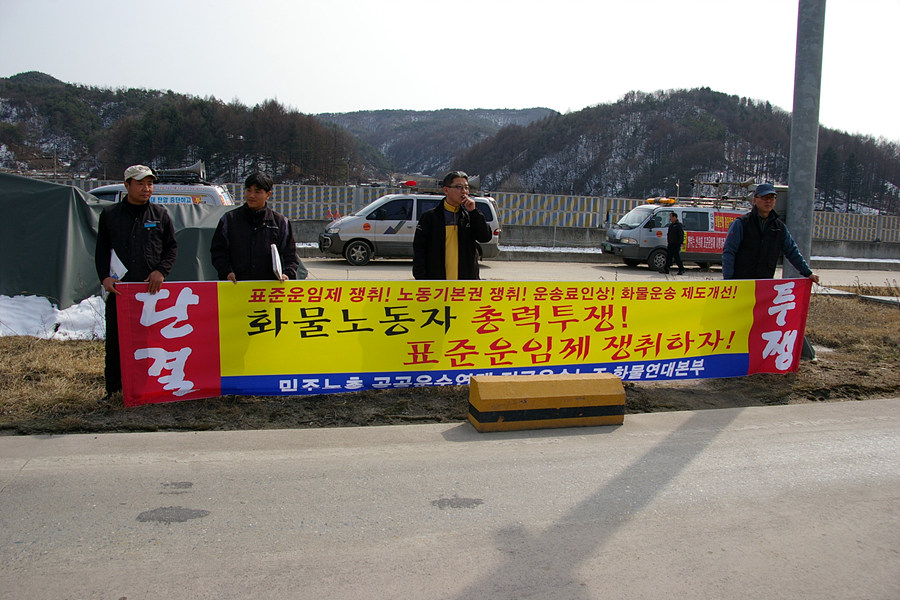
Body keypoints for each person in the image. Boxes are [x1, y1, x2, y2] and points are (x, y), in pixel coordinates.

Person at [95, 164, 178, 399]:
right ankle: (114, 391)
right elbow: (101, 250)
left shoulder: (160, 215)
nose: (146, 188)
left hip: (151, 291)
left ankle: (149, 387)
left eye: (150, 184)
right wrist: (105, 277)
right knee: (116, 342)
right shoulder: (110, 215)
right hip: (121, 291)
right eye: (140, 184)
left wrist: (161, 271)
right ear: (127, 185)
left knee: (151, 341)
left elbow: (171, 248)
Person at [210, 172, 307, 283]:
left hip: (269, 288)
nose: (251, 195)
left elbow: (290, 256)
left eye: (257, 191)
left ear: (268, 194)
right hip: (236, 286)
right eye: (248, 190)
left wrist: (287, 274)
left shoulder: (280, 223)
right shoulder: (229, 220)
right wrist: (226, 272)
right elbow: (218, 251)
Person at [722, 183, 819, 283]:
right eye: (764, 197)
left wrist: (808, 273)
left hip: (765, 284)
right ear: (755, 200)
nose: (768, 201)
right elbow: (729, 252)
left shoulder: (779, 228)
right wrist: (728, 280)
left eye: (772, 198)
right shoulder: (741, 224)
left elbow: (792, 251)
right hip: (741, 282)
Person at [413, 171, 493, 280]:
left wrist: (473, 212)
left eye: (466, 187)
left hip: (464, 281)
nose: (464, 191)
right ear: (446, 190)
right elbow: (419, 250)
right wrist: (421, 279)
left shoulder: (469, 216)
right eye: (459, 187)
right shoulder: (430, 217)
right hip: (437, 282)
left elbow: (485, 237)